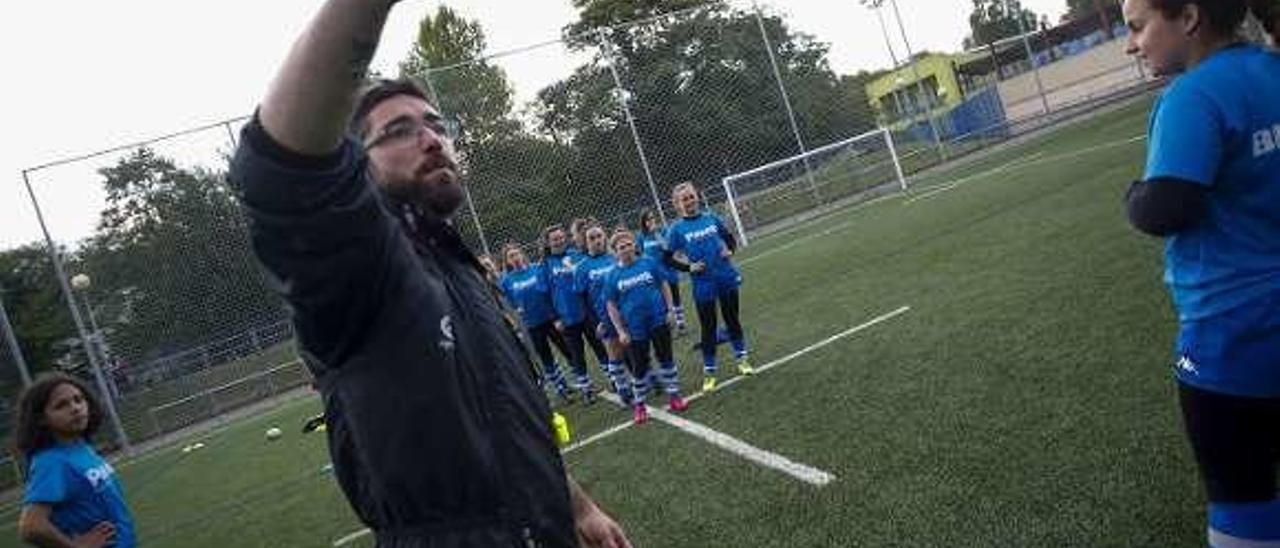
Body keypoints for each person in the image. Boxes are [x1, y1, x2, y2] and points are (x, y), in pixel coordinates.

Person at [227, 1, 631, 546]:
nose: (431, 138)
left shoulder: (460, 268)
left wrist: (577, 507)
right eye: (398, 131)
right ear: (353, 164)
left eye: (436, 125)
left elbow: (511, 423)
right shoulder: (362, 268)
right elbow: (279, 170)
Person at [1123, 0, 1280, 544]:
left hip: (1231, 338)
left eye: (1139, 27)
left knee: (1242, 501)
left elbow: (1167, 207)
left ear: (1188, 18)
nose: (1132, 44)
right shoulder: (1272, 69)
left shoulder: (1192, 96)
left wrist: (1132, 197)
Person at [15, 373, 136, 548]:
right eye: (61, 405)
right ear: (41, 419)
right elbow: (31, 526)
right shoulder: (51, 462)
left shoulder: (82, 448)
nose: (75, 408)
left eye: (78, 400)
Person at [666, 182, 754, 393]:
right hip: (703, 285)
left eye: (691, 196)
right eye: (684, 199)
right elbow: (668, 258)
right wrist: (689, 267)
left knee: (732, 319)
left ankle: (742, 360)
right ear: (677, 205)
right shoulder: (676, 229)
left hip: (725, 278)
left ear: (697, 197)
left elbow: (729, 239)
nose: (689, 201)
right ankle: (710, 372)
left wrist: (729, 252)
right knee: (708, 328)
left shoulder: (711, 217)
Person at [604, 229, 690, 424]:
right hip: (635, 328)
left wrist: (670, 310)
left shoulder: (649, 263)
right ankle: (640, 405)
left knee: (666, 358)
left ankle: (675, 396)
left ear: (634, 245)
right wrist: (620, 331)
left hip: (658, 320)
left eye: (628, 245)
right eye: (621, 247)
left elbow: (664, 285)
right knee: (639, 367)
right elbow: (611, 306)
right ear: (615, 252)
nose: (626, 249)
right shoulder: (612, 276)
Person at [574, 224, 640, 407]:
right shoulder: (582, 268)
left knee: (636, 347)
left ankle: (644, 380)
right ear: (585, 243)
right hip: (604, 317)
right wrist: (596, 322)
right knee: (615, 353)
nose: (597, 241)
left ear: (605, 237)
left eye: (599, 236)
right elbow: (582, 300)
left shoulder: (614, 258)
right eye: (592, 238)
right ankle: (623, 390)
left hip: (627, 311)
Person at [544, 225, 609, 391]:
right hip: (566, 317)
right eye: (554, 239)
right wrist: (555, 318)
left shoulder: (577, 255)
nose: (558, 241)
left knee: (599, 346)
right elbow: (545, 295)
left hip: (587, 312)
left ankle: (614, 380)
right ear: (548, 242)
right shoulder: (545, 265)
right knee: (577, 354)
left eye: (560, 238)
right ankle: (586, 388)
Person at [636, 210, 688, 334]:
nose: (651, 221)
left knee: (675, 298)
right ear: (644, 222)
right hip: (654, 275)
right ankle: (670, 326)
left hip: (668, 270)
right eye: (648, 219)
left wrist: (656, 234)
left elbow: (667, 248)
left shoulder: (663, 231)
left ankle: (681, 324)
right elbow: (640, 254)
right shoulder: (641, 236)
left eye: (653, 218)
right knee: (662, 301)